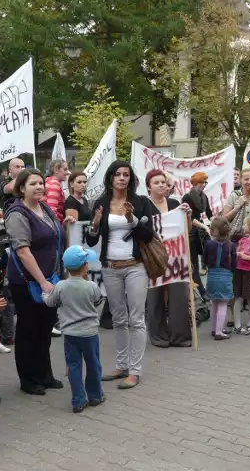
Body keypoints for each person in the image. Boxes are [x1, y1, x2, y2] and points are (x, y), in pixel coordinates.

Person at [86, 161, 154, 390]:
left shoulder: (141, 202)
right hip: (110, 267)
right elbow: (92, 240)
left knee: (136, 318)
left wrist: (132, 220)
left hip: (136, 266)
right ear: (111, 178)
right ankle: (121, 365)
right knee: (118, 318)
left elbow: (148, 235)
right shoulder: (102, 203)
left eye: (126, 174)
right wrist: (94, 225)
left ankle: (135, 371)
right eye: (118, 174)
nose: (122, 178)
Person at [5, 168, 68, 396]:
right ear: (22, 188)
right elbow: (22, 251)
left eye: (41, 183)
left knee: (44, 327)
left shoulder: (45, 209)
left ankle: (45, 374)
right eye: (33, 184)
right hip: (27, 282)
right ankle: (28, 378)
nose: (39, 187)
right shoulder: (17, 214)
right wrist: (42, 281)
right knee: (28, 329)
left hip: (50, 279)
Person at [42, 245, 106, 413]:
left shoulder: (61, 286)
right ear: (85, 266)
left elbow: (50, 302)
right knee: (93, 364)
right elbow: (100, 301)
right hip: (90, 333)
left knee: (73, 366)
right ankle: (95, 395)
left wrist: (44, 292)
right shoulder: (91, 286)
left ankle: (78, 400)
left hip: (70, 334)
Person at [145, 170, 193, 348]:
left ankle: (180, 336)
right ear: (148, 186)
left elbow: (186, 231)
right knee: (155, 295)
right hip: (154, 256)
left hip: (176, 256)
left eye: (164, 182)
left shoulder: (174, 203)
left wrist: (187, 216)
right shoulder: (144, 204)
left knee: (179, 295)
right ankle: (158, 336)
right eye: (156, 182)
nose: (161, 185)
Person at [203, 217, 237, 340]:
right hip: (225, 276)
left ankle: (214, 329)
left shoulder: (209, 244)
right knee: (223, 304)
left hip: (212, 275)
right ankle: (219, 331)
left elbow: (205, 260)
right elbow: (234, 263)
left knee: (214, 303)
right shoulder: (231, 246)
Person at [182, 172, 212, 290]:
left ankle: (203, 271)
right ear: (195, 183)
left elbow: (209, 214)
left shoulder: (204, 196)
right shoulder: (187, 197)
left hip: (199, 230)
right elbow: (190, 217)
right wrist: (204, 227)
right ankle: (199, 289)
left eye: (205, 182)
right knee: (193, 262)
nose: (203, 185)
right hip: (190, 230)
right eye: (201, 182)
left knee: (207, 254)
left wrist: (217, 221)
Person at [42, 159, 70, 223]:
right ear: (56, 170)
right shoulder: (54, 184)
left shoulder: (48, 181)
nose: (68, 173)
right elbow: (51, 211)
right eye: (65, 169)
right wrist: (57, 229)